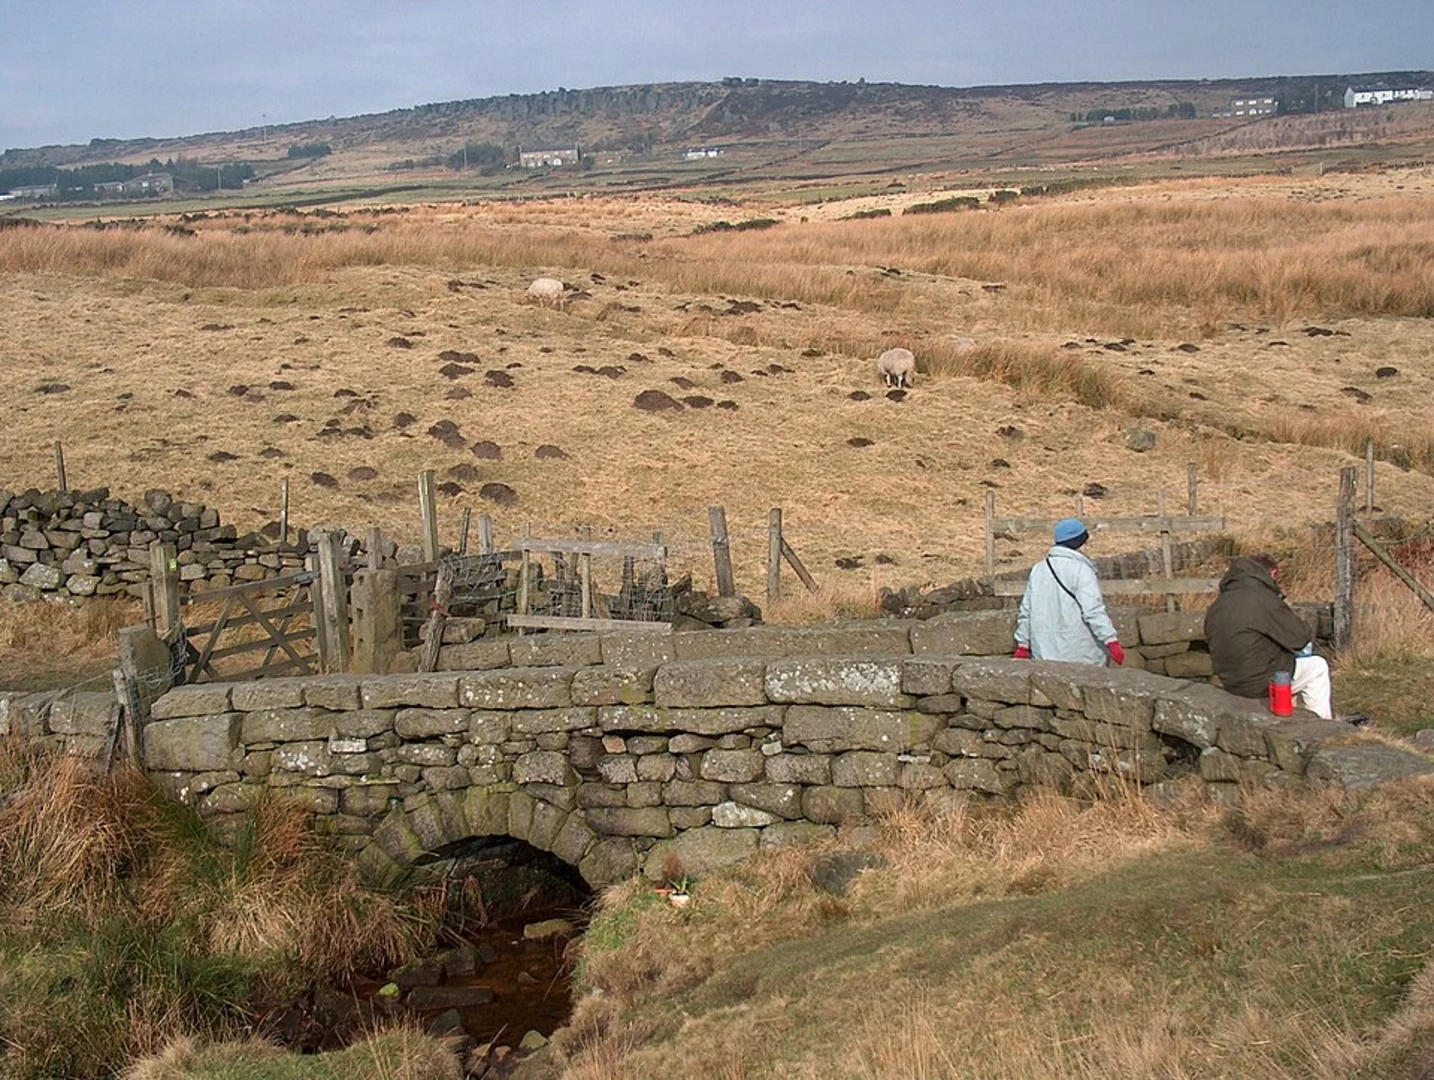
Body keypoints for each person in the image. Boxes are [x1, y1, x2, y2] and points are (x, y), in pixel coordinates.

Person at [1203, 553, 1338, 720]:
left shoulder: (1219, 604)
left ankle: (1293, 714)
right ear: (1272, 573)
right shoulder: (1262, 598)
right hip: (1259, 683)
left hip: (1230, 681)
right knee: (1317, 667)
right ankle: (1323, 726)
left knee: (1282, 658)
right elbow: (1299, 638)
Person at [1013, 518, 1125, 666]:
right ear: (1079, 542)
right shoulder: (1081, 570)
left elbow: (1026, 611)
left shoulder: (1038, 569)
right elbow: (1092, 610)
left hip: (1044, 652)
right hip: (1082, 654)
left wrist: (1023, 644)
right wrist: (1111, 641)